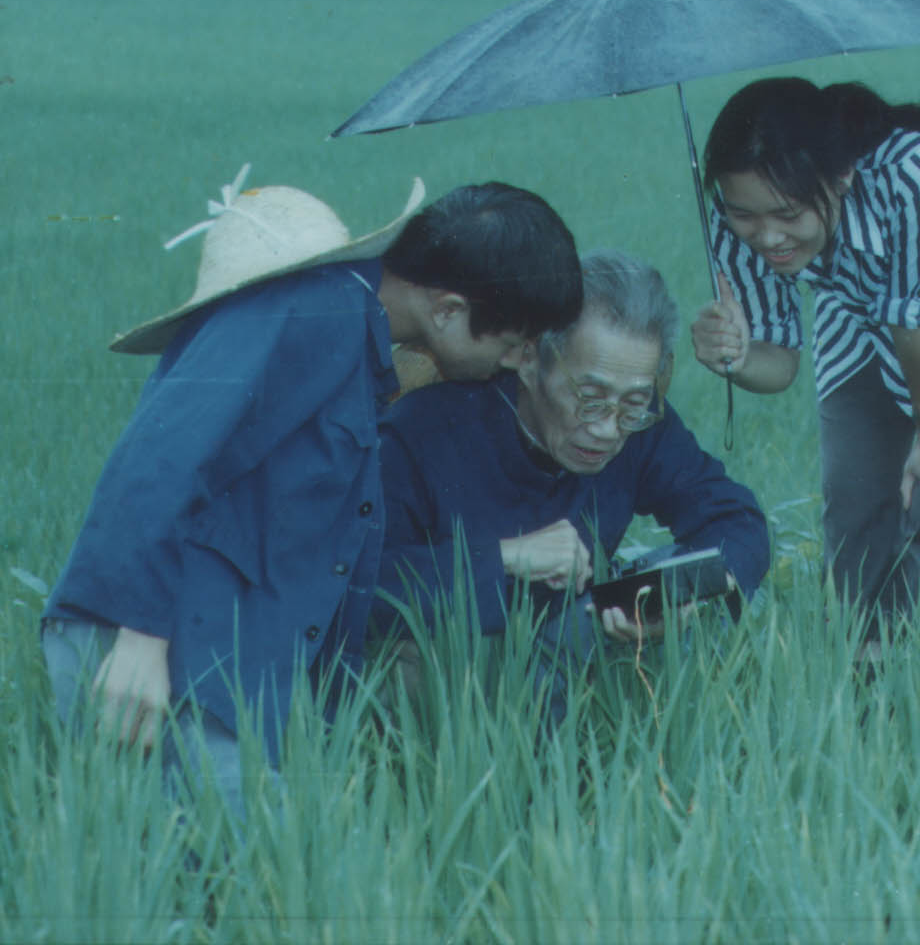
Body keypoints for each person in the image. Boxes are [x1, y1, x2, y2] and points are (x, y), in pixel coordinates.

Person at [40, 166, 582, 817]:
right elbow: (162, 455)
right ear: (447, 310)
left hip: (215, 663)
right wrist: (139, 639)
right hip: (157, 651)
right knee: (232, 866)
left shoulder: (357, 342)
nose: (516, 365)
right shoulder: (310, 311)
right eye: (514, 345)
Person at [688, 77, 920, 644]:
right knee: (854, 501)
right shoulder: (733, 214)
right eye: (747, 216)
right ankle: (864, 670)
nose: (767, 237)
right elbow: (779, 363)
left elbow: (914, 319)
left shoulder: (915, 171)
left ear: (841, 176)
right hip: (862, 299)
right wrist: (736, 357)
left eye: (788, 212)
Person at [376, 249, 770, 721]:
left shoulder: (641, 425)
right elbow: (359, 585)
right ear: (528, 359)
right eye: (589, 397)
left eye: (633, 402)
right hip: (455, 674)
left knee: (727, 594)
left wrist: (678, 594)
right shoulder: (421, 431)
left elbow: (736, 520)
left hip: (568, 644)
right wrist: (505, 557)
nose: (607, 429)